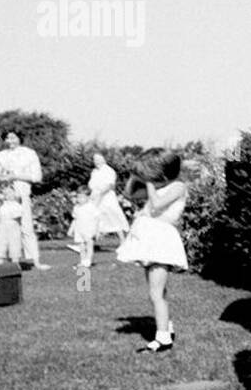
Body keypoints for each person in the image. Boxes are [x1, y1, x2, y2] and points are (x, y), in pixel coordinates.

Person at [116, 149, 188, 353]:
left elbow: (156, 205)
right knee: (158, 291)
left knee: (156, 293)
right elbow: (129, 194)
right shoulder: (160, 186)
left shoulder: (178, 186)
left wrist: (147, 180)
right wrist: (133, 175)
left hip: (161, 241)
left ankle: (163, 338)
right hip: (151, 240)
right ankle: (166, 326)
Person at [0, 130, 49, 270]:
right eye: (8, 138)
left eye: (14, 137)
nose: (11, 141)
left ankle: (36, 261)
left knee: (26, 228)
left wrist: (16, 176)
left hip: (21, 195)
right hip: (2, 197)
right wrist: (2, 179)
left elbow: (37, 177)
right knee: (4, 228)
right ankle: (7, 261)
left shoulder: (29, 153)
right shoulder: (1, 155)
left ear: (20, 138)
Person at [88, 153, 130, 244]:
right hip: (95, 196)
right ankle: (91, 242)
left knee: (114, 217)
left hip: (107, 197)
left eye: (98, 159)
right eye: (94, 160)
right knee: (95, 218)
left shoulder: (109, 171)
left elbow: (110, 185)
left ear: (103, 160)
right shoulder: (94, 171)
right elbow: (92, 185)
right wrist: (93, 196)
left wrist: (100, 195)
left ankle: (123, 241)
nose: (96, 162)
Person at [67, 187, 100, 267]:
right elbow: (75, 219)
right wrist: (71, 229)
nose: (79, 199)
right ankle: (83, 261)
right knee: (81, 246)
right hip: (79, 229)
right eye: (78, 197)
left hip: (89, 229)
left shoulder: (91, 207)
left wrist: (96, 230)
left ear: (88, 197)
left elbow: (97, 219)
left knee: (89, 245)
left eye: (82, 197)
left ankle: (88, 260)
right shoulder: (76, 208)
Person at [0, 181, 24, 265]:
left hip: (14, 223)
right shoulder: (1, 203)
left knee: (15, 243)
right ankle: (0, 263)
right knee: (1, 243)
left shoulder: (16, 204)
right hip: (3, 223)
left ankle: (15, 263)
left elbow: (18, 195)